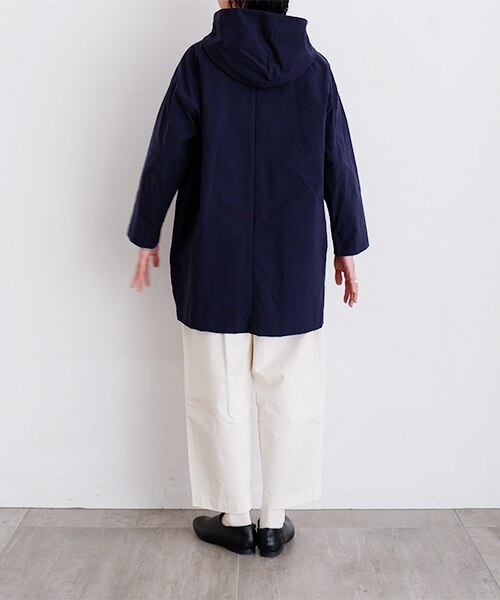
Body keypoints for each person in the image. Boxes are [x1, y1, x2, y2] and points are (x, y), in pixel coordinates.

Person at [127, 0, 369, 558]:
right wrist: (347, 245)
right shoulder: (315, 70)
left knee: (218, 383)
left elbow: (167, 152)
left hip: (215, 253)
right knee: (290, 385)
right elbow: (338, 161)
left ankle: (234, 518)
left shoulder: (200, 64)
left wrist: (146, 231)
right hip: (292, 258)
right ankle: (273, 520)